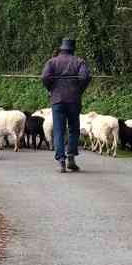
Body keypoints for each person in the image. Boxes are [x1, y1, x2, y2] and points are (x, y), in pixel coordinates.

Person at [41, 38, 91, 173]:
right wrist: (79, 89)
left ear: (61, 49)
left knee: (58, 130)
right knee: (74, 129)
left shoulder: (52, 61)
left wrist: (51, 88)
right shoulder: (79, 62)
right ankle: (71, 158)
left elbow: (45, 77)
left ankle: (61, 161)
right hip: (74, 100)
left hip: (57, 100)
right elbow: (85, 77)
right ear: (73, 49)